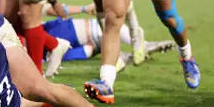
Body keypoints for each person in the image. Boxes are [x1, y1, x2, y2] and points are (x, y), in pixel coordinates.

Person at [42, 17, 175, 77]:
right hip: (81, 29)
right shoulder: (33, 34)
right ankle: (141, 48)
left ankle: (132, 54)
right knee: (110, 26)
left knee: (108, 30)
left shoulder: (32, 35)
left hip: (81, 36)